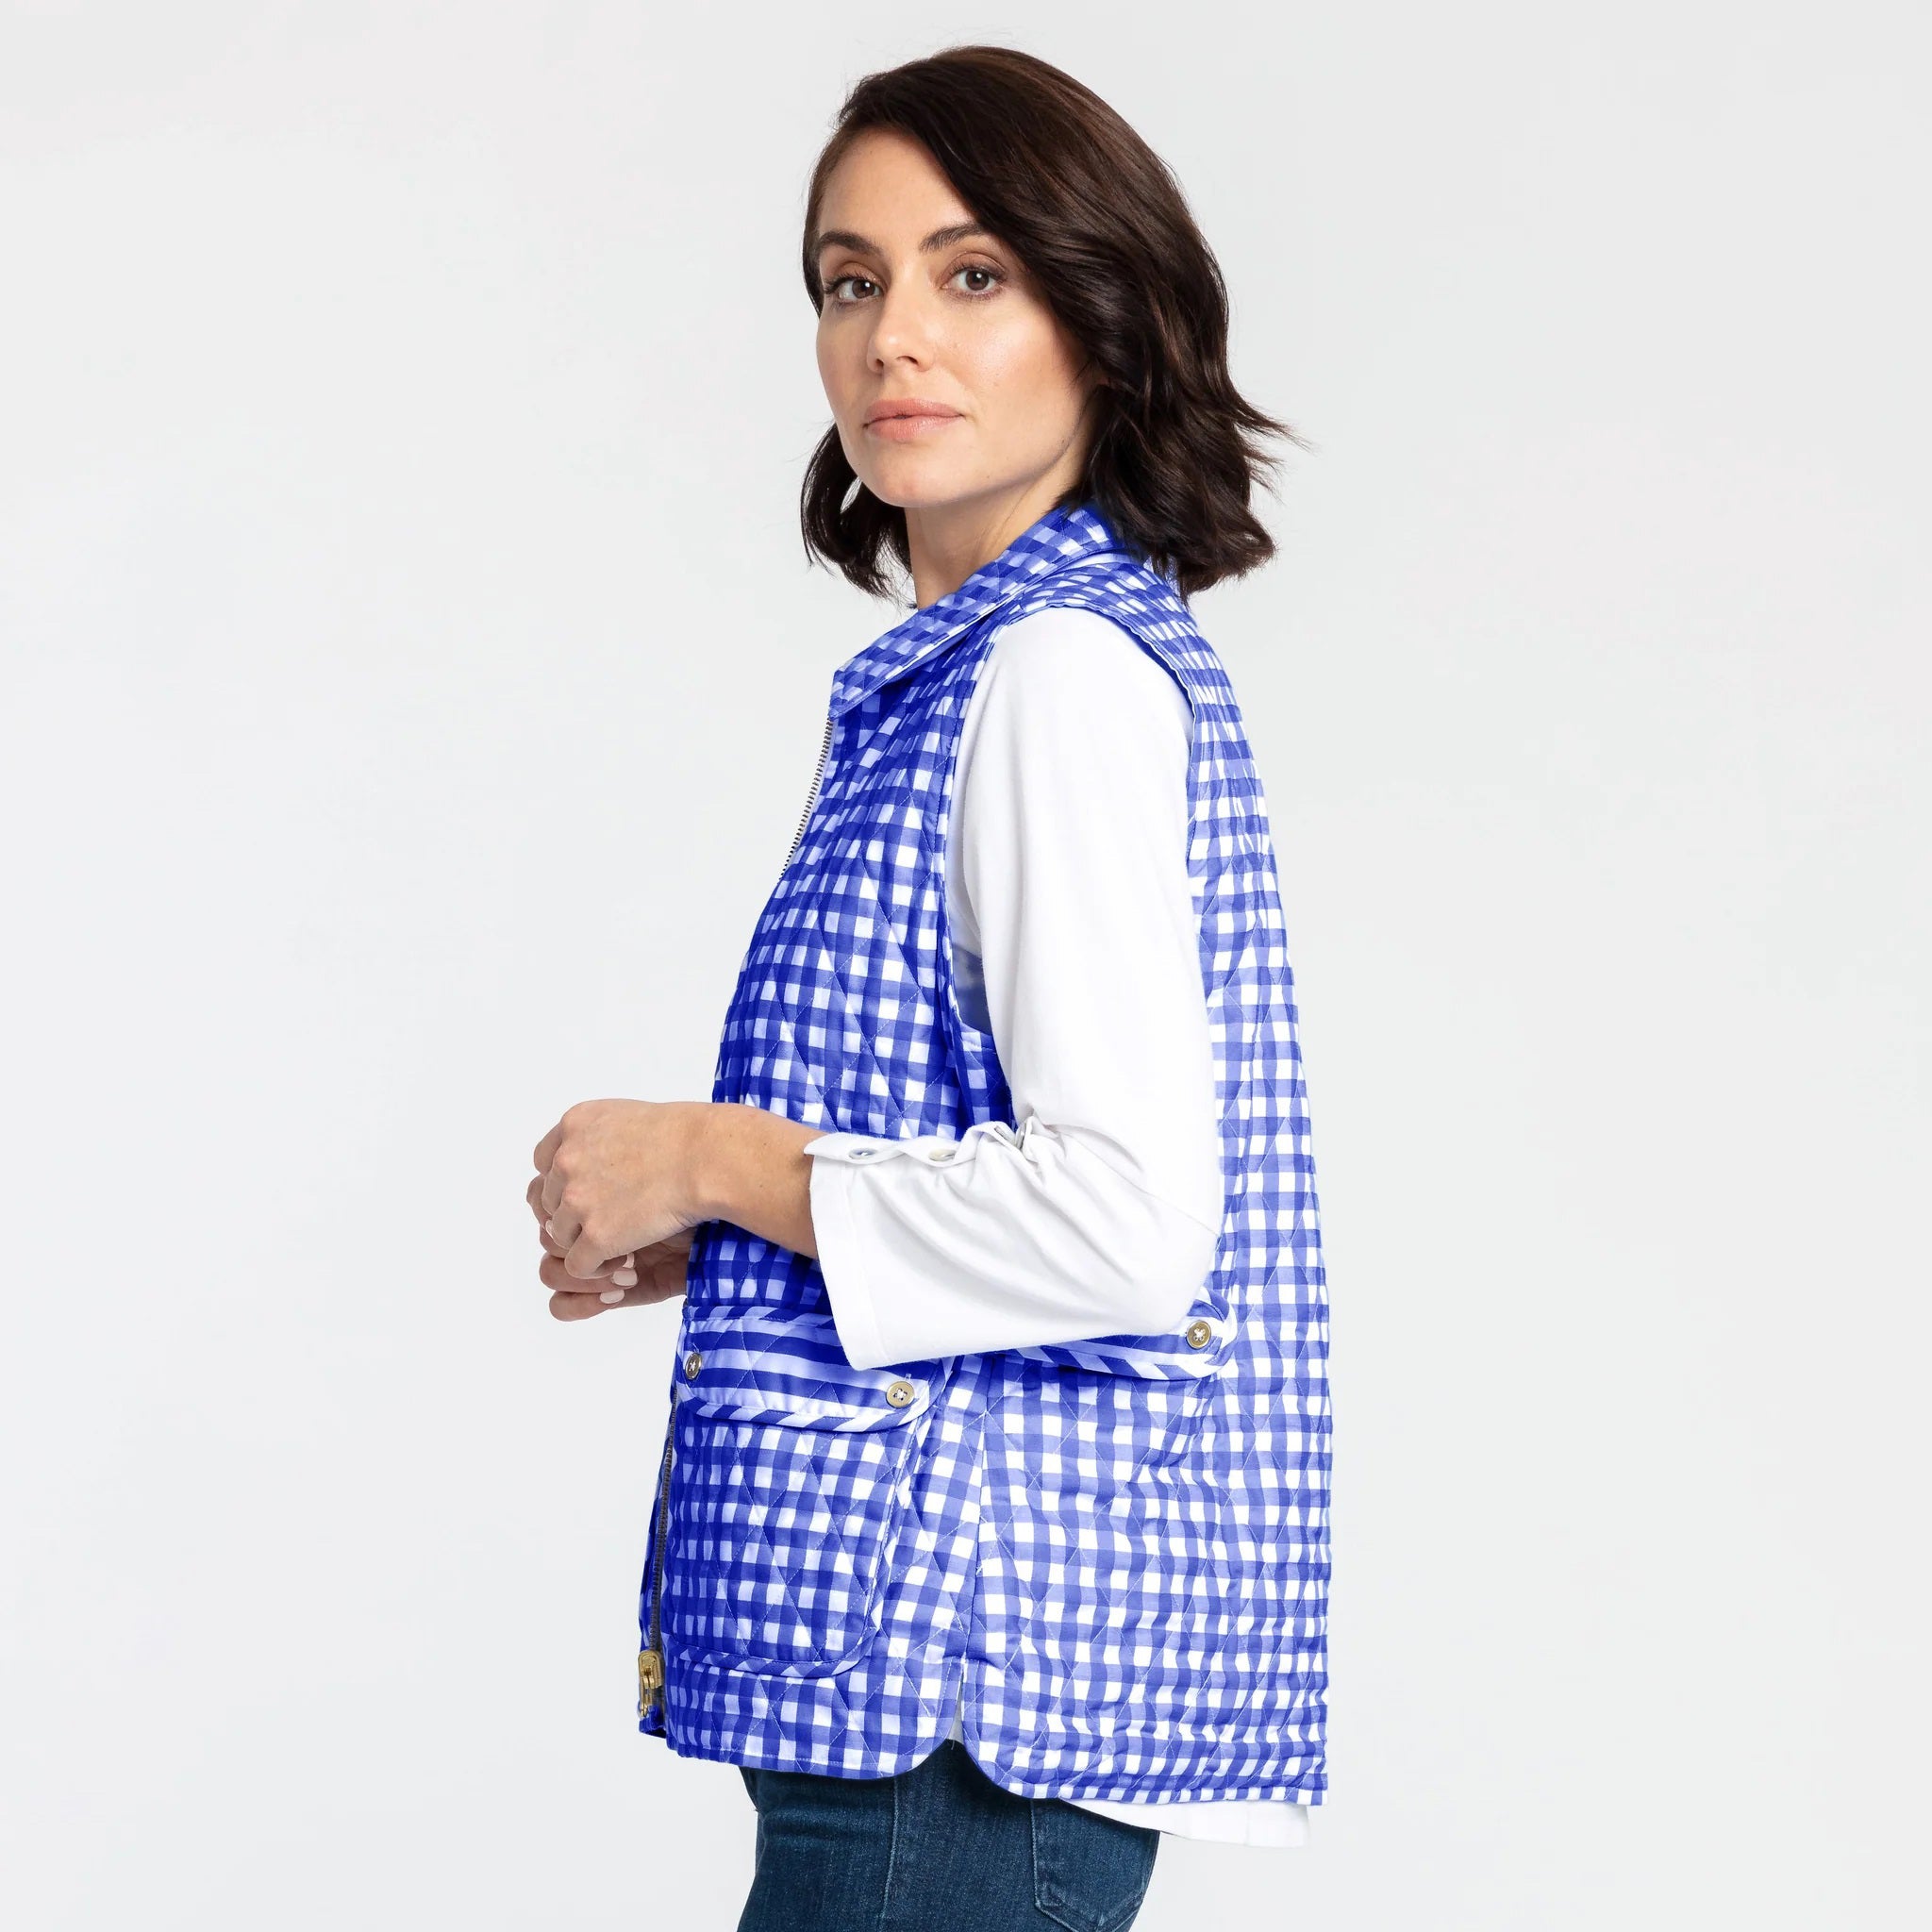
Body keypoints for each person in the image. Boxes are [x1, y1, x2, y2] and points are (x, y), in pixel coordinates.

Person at [528, 44, 1332, 1932]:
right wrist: (737, 1234)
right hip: (927, 1702)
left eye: (973, 274)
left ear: (1103, 322)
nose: (893, 334)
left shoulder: (1052, 676)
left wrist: (717, 1160)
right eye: (850, 280)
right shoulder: (980, 671)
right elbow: (1000, 1163)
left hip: (955, 1719)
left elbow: (1126, 1225)